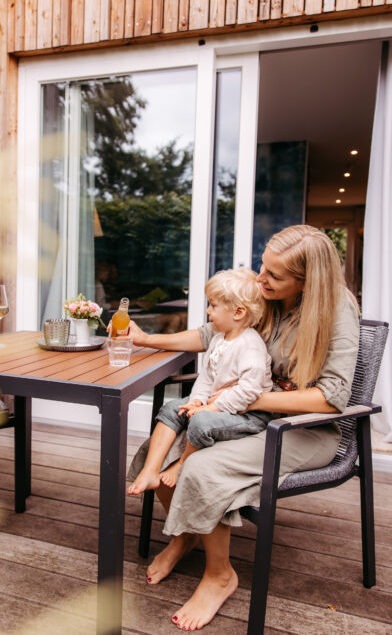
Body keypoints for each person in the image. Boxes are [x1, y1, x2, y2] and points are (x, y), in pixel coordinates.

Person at [126, 225, 360, 631]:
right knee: (156, 451)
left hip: (305, 429)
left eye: (274, 275)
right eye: (261, 267)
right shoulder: (270, 297)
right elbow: (209, 334)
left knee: (202, 468)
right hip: (247, 413)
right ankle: (188, 535)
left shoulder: (336, 310)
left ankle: (220, 576)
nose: (259, 279)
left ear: (306, 282)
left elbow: (331, 397)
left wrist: (242, 399)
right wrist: (148, 340)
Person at [127, 268, 272, 494]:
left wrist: (213, 407)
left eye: (213, 306)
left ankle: (182, 463)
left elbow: (250, 391)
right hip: (221, 407)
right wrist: (196, 401)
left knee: (201, 421)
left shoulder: (250, 345)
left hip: (248, 415)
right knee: (171, 409)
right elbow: (206, 378)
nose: (208, 311)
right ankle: (150, 470)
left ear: (238, 312)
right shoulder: (218, 339)